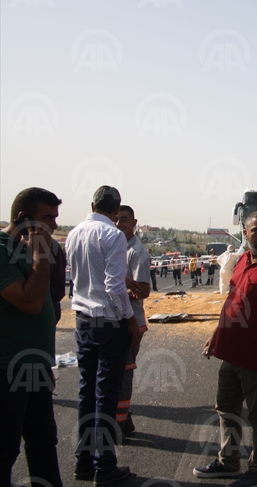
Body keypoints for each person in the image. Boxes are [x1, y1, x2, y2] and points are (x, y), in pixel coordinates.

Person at [194, 212, 257, 487]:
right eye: (256, 231)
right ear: (245, 233)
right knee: (226, 408)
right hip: (231, 353)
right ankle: (228, 463)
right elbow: (232, 299)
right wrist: (216, 333)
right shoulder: (242, 260)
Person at [66, 186, 142, 486]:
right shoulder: (112, 236)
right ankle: (104, 465)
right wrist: (130, 320)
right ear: (116, 210)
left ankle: (83, 461)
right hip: (108, 323)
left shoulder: (74, 233)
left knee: (87, 393)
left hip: (83, 319)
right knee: (106, 395)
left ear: (92, 204)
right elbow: (114, 287)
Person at [1, 187, 63, 487]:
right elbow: (30, 301)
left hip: (34, 366)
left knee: (43, 442)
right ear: (23, 218)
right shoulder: (2, 250)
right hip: (7, 368)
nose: (53, 225)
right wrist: (41, 256)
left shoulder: (26, 250)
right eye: (47, 218)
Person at [114, 206, 151, 435]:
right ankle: (123, 419)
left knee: (124, 373)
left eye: (124, 220)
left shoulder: (137, 251)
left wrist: (115, 291)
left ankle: (119, 424)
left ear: (134, 222)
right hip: (115, 319)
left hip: (131, 322)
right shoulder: (113, 244)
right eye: (115, 219)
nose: (119, 223)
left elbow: (144, 290)